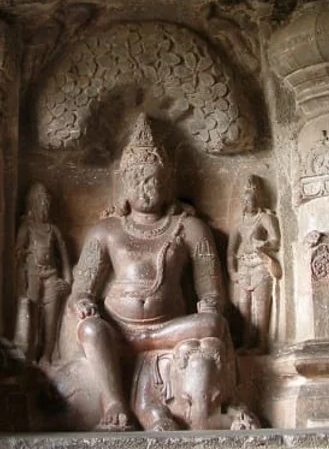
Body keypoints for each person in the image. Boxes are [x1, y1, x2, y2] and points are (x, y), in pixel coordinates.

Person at [69, 113, 234, 431]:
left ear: (167, 182)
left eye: (154, 181)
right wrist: (83, 303)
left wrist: (211, 303)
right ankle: (115, 403)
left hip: (168, 329)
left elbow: (211, 289)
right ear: (125, 184)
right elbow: (81, 288)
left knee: (213, 323)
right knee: (90, 329)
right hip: (117, 330)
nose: (146, 189)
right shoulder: (106, 231)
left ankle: (151, 388)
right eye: (138, 181)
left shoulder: (190, 229)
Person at [15, 183, 71, 364]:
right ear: (33, 205)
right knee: (31, 314)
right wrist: (20, 284)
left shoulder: (53, 230)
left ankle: (47, 356)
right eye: (41, 203)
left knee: (51, 317)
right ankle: (29, 354)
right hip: (33, 275)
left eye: (47, 203)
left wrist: (68, 280)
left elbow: (64, 258)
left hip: (52, 275)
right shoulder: (27, 227)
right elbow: (17, 256)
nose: (45, 207)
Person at [227, 175, 281, 354]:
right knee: (244, 306)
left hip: (260, 264)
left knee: (261, 305)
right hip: (244, 267)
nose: (249, 203)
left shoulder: (265, 218)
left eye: (252, 199)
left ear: (257, 199)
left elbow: (276, 240)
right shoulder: (240, 223)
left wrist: (265, 245)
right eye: (246, 200)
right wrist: (232, 271)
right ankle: (246, 342)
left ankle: (262, 344)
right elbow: (231, 251)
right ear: (243, 201)